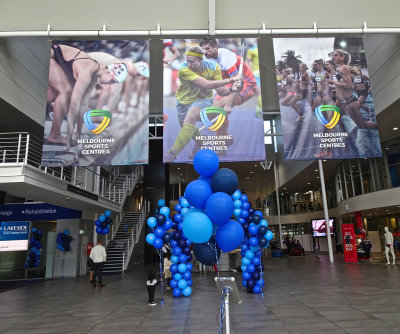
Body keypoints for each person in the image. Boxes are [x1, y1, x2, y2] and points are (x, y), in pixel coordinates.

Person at [165, 46, 243, 161]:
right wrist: (231, 80)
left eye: (192, 62)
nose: (189, 64)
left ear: (201, 60)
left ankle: (171, 154)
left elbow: (221, 91)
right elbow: (206, 84)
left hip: (202, 100)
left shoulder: (213, 67)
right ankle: (200, 141)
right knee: (187, 129)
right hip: (182, 103)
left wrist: (233, 89)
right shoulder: (184, 69)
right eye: (187, 61)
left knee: (190, 118)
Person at [47, 43, 129, 150]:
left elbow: (83, 104)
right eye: (112, 81)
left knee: (51, 97)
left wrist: (78, 133)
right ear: (108, 71)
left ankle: (54, 133)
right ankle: (55, 135)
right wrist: (69, 136)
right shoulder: (87, 71)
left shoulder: (94, 75)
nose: (110, 84)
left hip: (58, 60)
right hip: (50, 54)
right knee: (66, 91)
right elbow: (74, 103)